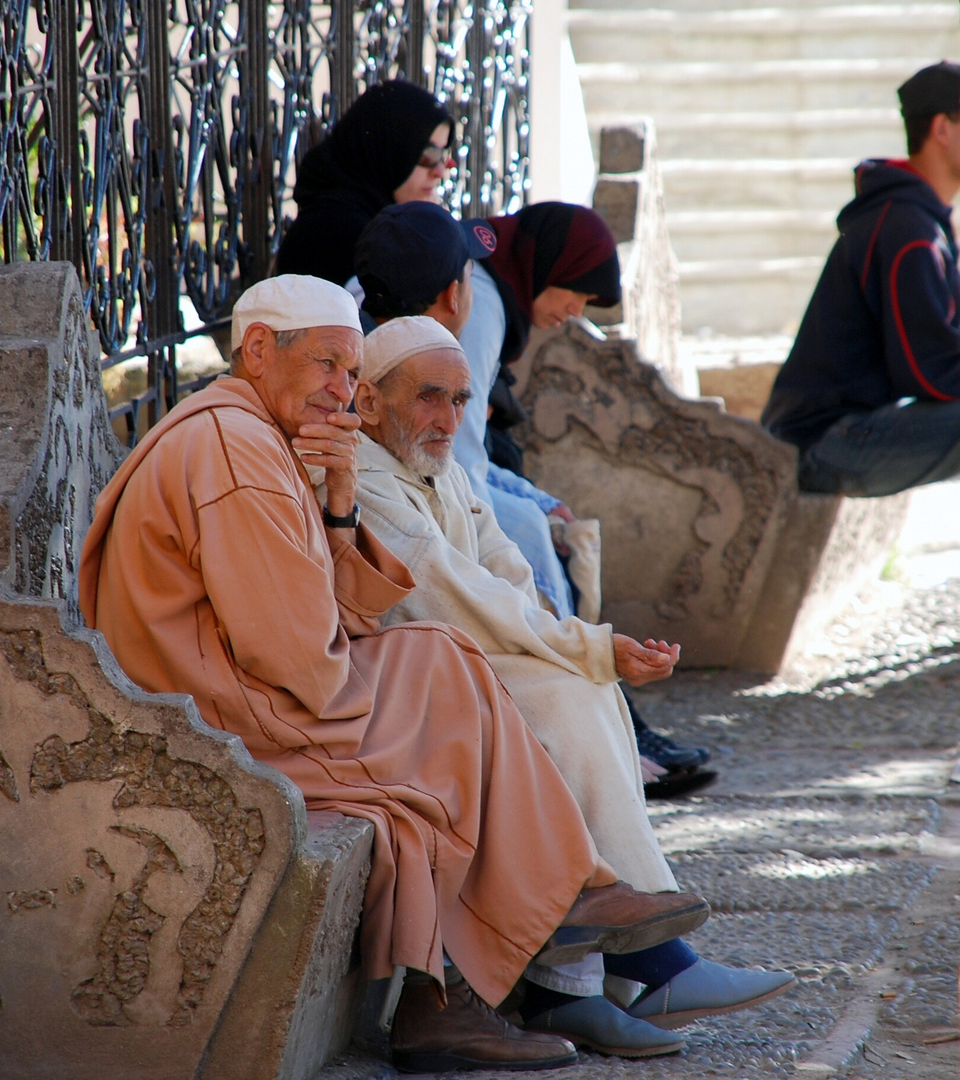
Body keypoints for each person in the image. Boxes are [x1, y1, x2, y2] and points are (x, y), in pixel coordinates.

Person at [78, 275, 711, 1073]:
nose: (342, 391)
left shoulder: (258, 432)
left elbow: (325, 616)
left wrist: (337, 501)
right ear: (260, 351)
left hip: (244, 684)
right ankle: (550, 907)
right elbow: (299, 657)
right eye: (328, 366)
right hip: (216, 709)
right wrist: (372, 679)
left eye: (350, 372)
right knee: (435, 725)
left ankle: (456, 992)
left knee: (441, 691)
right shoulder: (234, 448)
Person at [330, 316, 795, 1054]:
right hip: (398, 679)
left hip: (454, 658)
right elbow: (450, 595)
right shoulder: (363, 473)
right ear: (369, 400)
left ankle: (573, 989)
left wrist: (580, 648)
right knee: (565, 692)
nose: (447, 417)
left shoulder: (435, 463)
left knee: (582, 684)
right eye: (428, 398)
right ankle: (649, 967)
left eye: (458, 399)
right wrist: (589, 646)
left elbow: (504, 567)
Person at [355, 201, 714, 793]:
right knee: (561, 642)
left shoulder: (428, 372)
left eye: (460, 399)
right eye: (574, 295)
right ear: (453, 295)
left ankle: (623, 776)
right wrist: (589, 650)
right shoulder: (389, 430)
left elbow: (467, 496)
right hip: (418, 662)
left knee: (575, 668)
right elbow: (455, 491)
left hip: (463, 598)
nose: (575, 314)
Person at [762, 60, 960, 497]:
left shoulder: (920, 223)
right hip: (822, 446)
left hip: (850, 435)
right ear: (942, 129)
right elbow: (929, 371)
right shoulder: (908, 231)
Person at [275, 80, 455, 286]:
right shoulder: (336, 236)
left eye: (443, 153)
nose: (440, 171)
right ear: (386, 149)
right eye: (428, 155)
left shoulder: (372, 227)